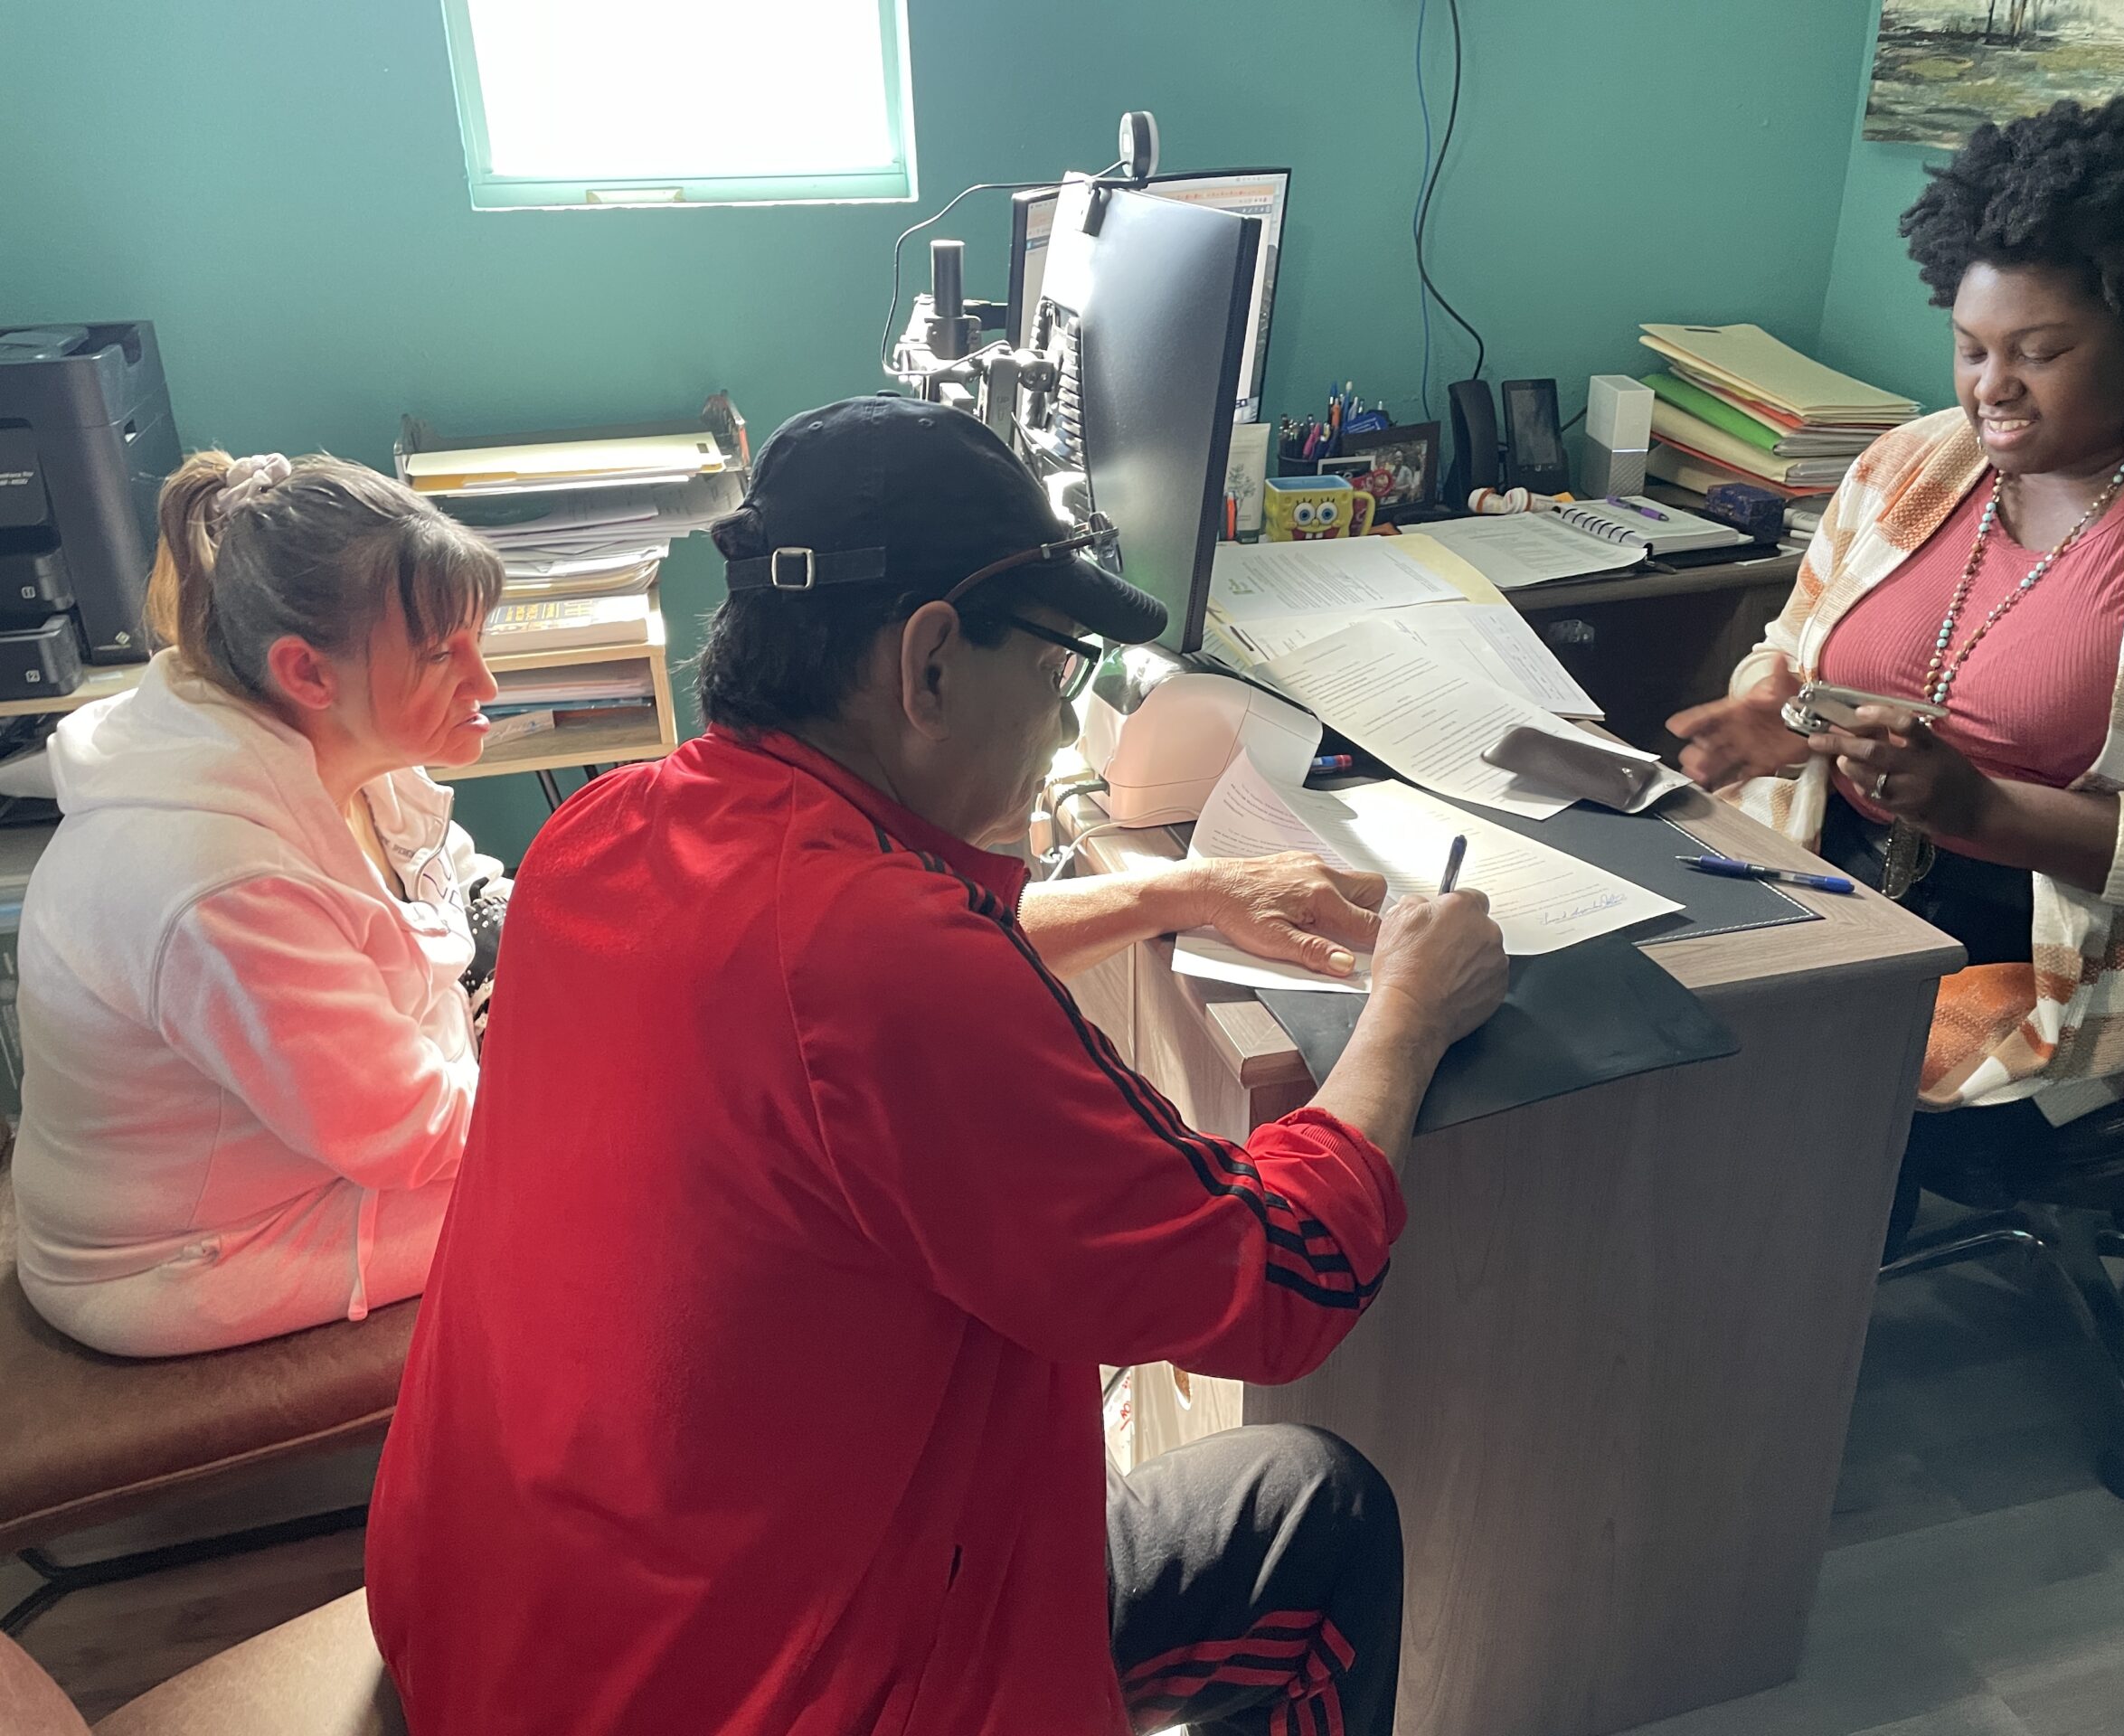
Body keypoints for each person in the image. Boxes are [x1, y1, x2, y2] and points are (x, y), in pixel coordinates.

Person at [366, 397, 1508, 1736]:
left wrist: (1177, 893)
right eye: (1055, 665)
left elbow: (831, 967)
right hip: (758, 1695)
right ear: (928, 665)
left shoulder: (600, 840)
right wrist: (1409, 1015)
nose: (1056, 721)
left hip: (514, 1644)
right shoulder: (887, 974)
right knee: (1318, 1526)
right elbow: (1287, 1281)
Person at [1667, 87, 2124, 1241]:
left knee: (1743, 1106)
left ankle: (1758, 1360)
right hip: (1835, 880)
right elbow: (1794, 644)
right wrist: (1770, 709)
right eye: (1969, 348)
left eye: (2039, 353)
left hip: (2064, 946)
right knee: (1613, 1015)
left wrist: (1988, 809)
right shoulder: (1911, 463)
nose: (1988, 389)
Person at [11, 451, 505, 1357]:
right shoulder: (218, 879)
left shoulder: (332, 746)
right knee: (634, 1185)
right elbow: (408, 1131)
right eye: (442, 654)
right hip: (185, 1260)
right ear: (306, 672)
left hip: (318, 1150)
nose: (485, 686)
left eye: (480, 640)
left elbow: (450, 884)